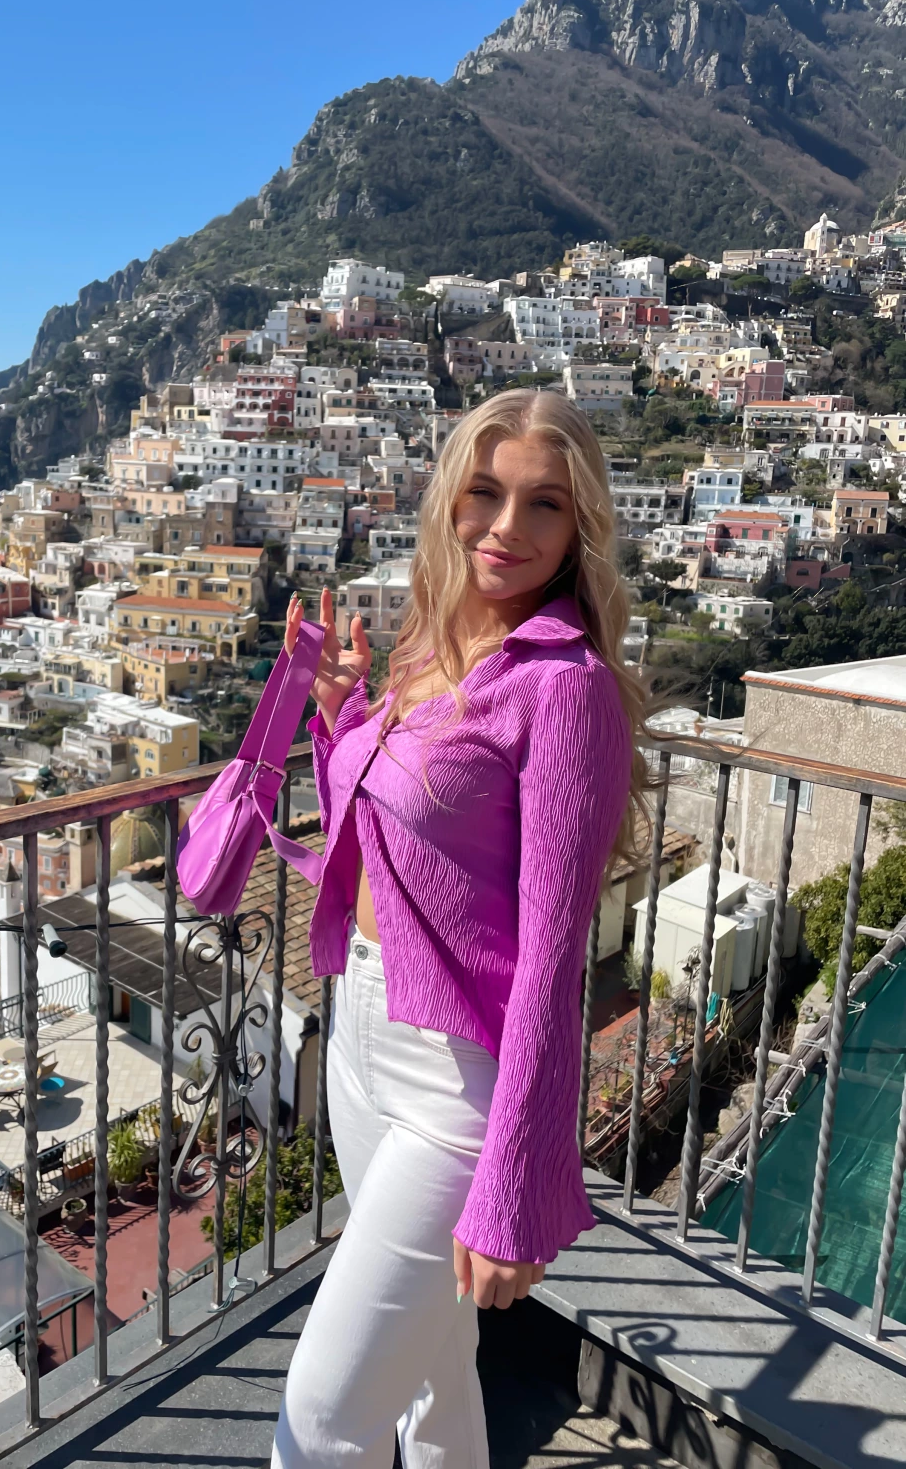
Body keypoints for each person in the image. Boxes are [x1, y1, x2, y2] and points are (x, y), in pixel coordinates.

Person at [271, 388, 648, 1469]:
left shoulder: (564, 689)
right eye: (484, 492)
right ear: (448, 498)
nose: (506, 528)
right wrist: (341, 712)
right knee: (432, 1379)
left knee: (321, 1421)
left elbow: (552, 954)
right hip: (359, 1033)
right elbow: (393, 813)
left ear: (579, 530)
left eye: (543, 504)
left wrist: (515, 1181)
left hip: (456, 1086)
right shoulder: (424, 645)